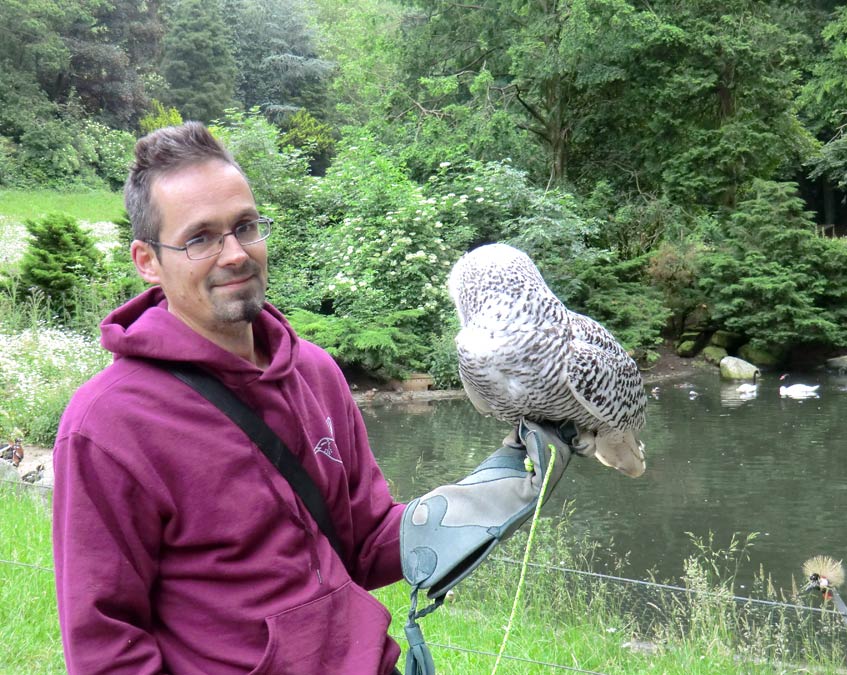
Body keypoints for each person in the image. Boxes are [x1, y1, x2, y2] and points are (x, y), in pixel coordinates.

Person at [52, 122, 573, 675]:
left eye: (246, 227)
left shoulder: (315, 372)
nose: (234, 254)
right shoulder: (107, 425)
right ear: (147, 261)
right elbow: (106, 646)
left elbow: (365, 542)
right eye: (200, 238)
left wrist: (499, 488)